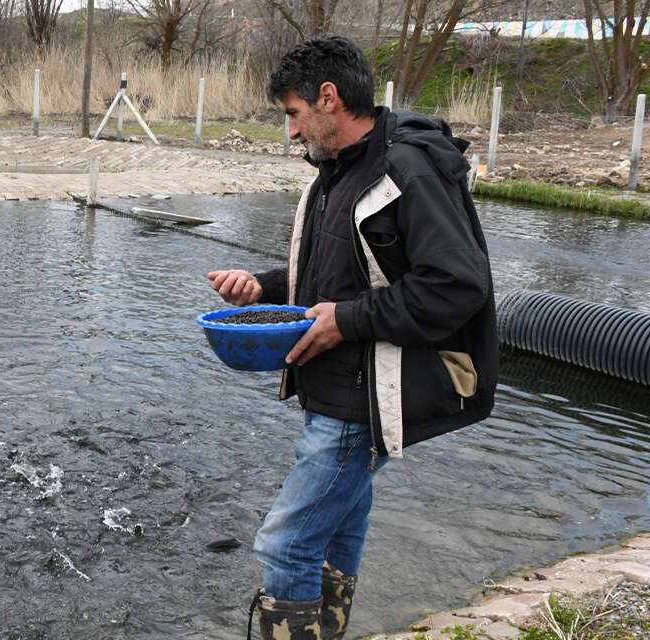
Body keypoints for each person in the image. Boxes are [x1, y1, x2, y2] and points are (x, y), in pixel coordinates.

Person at [206, 37, 498, 640]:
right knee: (339, 530)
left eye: (292, 113)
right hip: (336, 387)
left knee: (285, 542)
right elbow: (333, 279)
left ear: (328, 98)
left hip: (365, 397)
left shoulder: (407, 169)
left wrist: (346, 321)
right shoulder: (334, 173)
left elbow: (457, 286)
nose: (290, 132)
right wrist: (261, 288)